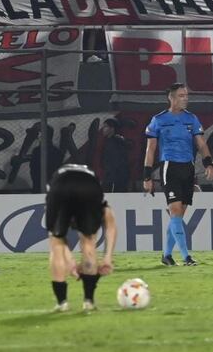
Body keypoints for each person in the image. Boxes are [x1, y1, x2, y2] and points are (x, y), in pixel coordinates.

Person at [143, 83, 213, 266]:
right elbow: (150, 149)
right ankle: (186, 257)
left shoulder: (191, 119)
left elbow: (201, 143)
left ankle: (166, 255)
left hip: (188, 169)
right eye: (182, 95)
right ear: (172, 98)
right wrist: (147, 176)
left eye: (186, 95)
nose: (186, 98)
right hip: (170, 167)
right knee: (175, 211)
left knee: (178, 215)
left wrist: (208, 163)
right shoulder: (158, 120)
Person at [46, 164, 117, 313]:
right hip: (89, 188)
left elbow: (56, 234)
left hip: (61, 185)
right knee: (88, 241)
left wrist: (70, 261)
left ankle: (62, 303)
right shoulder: (92, 177)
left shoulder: (55, 179)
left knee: (56, 242)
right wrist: (107, 258)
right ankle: (88, 302)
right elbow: (110, 223)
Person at [101, 118, 130, 192]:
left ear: (112, 129)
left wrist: (111, 178)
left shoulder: (114, 142)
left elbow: (116, 161)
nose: (103, 129)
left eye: (105, 127)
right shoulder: (112, 141)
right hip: (114, 177)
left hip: (114, 178)